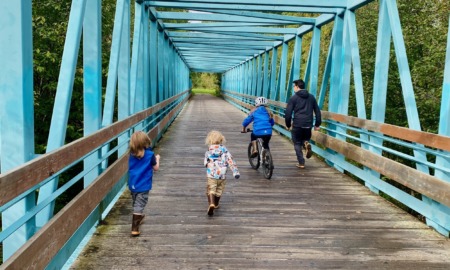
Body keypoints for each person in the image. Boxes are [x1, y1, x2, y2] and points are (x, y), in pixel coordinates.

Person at [128, 131, 160, 236]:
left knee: (136, 202)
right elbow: (156, 168)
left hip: (133, 184)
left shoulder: (131, 155)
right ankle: (135, 228)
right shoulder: (150, 155)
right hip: (144, 185)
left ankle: (139, 216)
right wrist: (157, 159)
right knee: (139, 204)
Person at [284, 79, 321, 169]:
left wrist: (288, 125)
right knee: (305, 139)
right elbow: (317, 111)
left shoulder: (293, 98)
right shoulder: (311, 97)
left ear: (297, 86)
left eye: (294, 86)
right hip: (308, 124)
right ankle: (306, 143)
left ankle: (301, 163)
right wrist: (317, 124)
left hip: (297, 124)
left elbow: (288, 113)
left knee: (297, 143)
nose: (293, 88)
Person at [204, 130, 240, 216]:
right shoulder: (224, 150)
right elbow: (230, 160)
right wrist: (235, 172)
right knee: (219, 189)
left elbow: (205, 162)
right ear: (221, 140)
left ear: (209, 140)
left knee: (211, 189)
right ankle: (216, 204)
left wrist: (208, 166)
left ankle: (211, 203)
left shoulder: (209, 150)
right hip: (222, 175)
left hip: (211, 175)